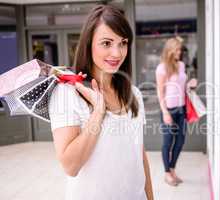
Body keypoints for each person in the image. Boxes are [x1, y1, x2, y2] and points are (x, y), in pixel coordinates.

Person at [48, 5, 153, 200]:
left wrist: (150, 197)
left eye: (123, 43)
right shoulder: (67, 94)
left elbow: (139, 153)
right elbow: (71, 166)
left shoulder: (134, 94)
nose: (117, 53)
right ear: (89, 44)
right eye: (106, 43)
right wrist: (98, 112)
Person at [155, 37, 197, 186]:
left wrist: (190, 85)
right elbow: (160, 92)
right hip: (169, 110)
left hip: (182, 109)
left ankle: (172, 170)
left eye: (181, 50)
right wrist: (165, 112)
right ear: (170, 50)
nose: (180, 52)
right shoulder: (162, 68)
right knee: (168, 142)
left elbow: (182, 86)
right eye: (177, 50)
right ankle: (167, 173)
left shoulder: (181, 65)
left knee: (180, 142)